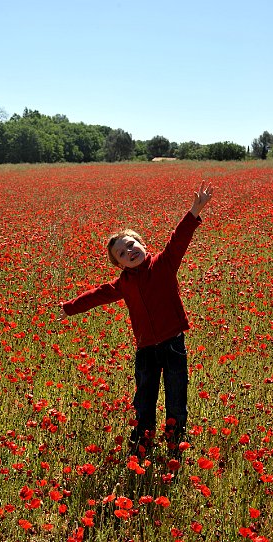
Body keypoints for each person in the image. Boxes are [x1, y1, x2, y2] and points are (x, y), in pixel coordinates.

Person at [58, 181, 213, 457]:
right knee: (144, 400)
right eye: (122, 253)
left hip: (174, 345)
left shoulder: (164, 264)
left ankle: (175, 445)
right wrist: (70, 307)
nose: (129, 251)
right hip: (145, 351)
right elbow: (97, 295)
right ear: (119, 265)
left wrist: (193, 212)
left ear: (142, 243)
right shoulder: (123, 285)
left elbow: (178, 240)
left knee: (176, 398)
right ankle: (142, 445)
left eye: (131, 245)